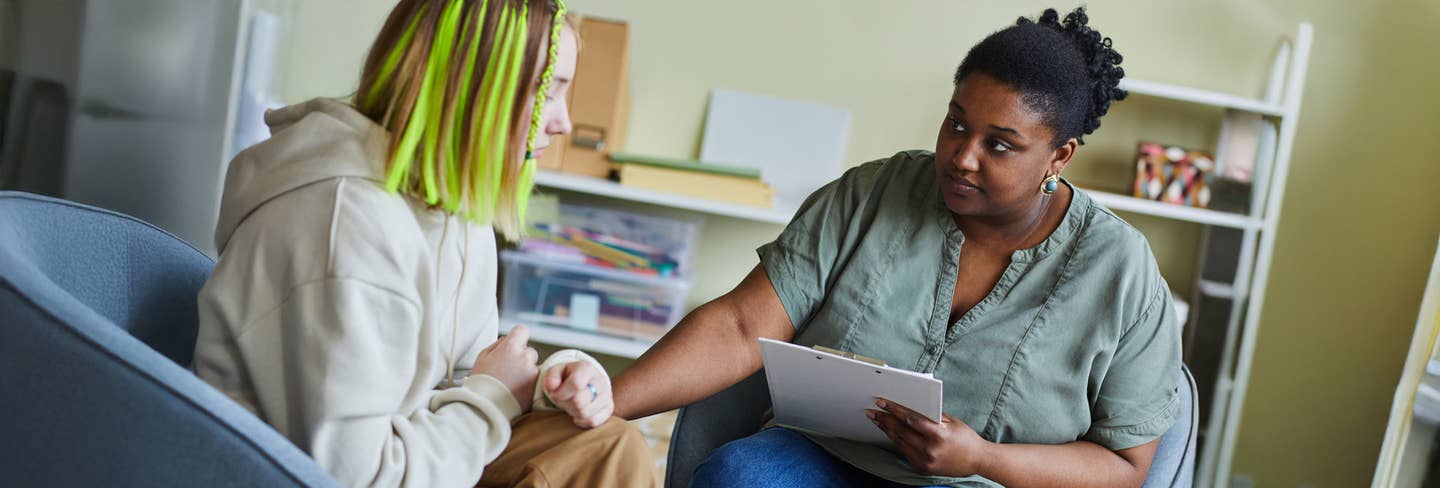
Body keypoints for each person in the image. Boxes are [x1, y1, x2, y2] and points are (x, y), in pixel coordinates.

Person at [613, 7, 1180, 488]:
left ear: (1059, 157)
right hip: (825, 456)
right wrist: (603, 403)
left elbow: (1126, 466)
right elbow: (741, 324)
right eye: (956, 124)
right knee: (740, 476)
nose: (962, 156)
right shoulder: (869, 193)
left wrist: (982, 457)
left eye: (999, 146)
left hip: (982, 482)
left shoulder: (1121, 273)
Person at [193, 1, 653, 486]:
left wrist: (554, 383)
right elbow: (359, 476)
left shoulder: (451, 206)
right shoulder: (346, 226)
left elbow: (463, 374)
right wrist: (494, 395)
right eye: (549, 92)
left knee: (610, 444)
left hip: (412, 446)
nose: (562, 122)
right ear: (475, 88)